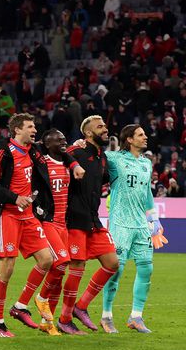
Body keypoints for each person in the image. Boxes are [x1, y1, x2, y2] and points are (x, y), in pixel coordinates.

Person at [0, 113, 59, 338]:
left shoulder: (33, 152)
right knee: (7, 268)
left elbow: (56, 151)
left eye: (34, 126)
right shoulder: (3, 153)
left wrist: (75, 152)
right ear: (17, 130)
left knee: (47, 259)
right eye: (29, 126)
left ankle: (20, 306)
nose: (34, 130)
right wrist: (14, 197)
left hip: (28, 216)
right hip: (7, 215)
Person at [56, 116, 119, 334]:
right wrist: (72, 147)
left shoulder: (102, 156)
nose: (105, 129)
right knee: (77, 268)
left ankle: (80, 307)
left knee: (112, 263)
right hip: (74, 218)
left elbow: (100, 180)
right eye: (100, 126)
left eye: (105, 125)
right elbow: (56, 156)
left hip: (93, 218)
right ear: (88, 133)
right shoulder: (77, 152)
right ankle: (64, 320)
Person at [99, 125, 160, 333]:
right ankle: (106, 316)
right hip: (120, 224)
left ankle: (136, 316)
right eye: (141, 135)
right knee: (116, 269)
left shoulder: (146, 163)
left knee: (147, 268)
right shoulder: (115, 159)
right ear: (130, 140)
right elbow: (94, 153)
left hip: (141, 224)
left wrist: (154, 219)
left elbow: (147, 193)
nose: (146, 137)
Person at [30, 129, 74, 334]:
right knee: (61, 262)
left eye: (64, 139)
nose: (63, 141)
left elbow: (71, 153)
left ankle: (47, 323)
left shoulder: (67, 163)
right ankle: (40, 298)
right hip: (48, 222)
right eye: (59, 139)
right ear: (47, 144)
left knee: (60, 275)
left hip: (63, 224)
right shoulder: (42, 164)